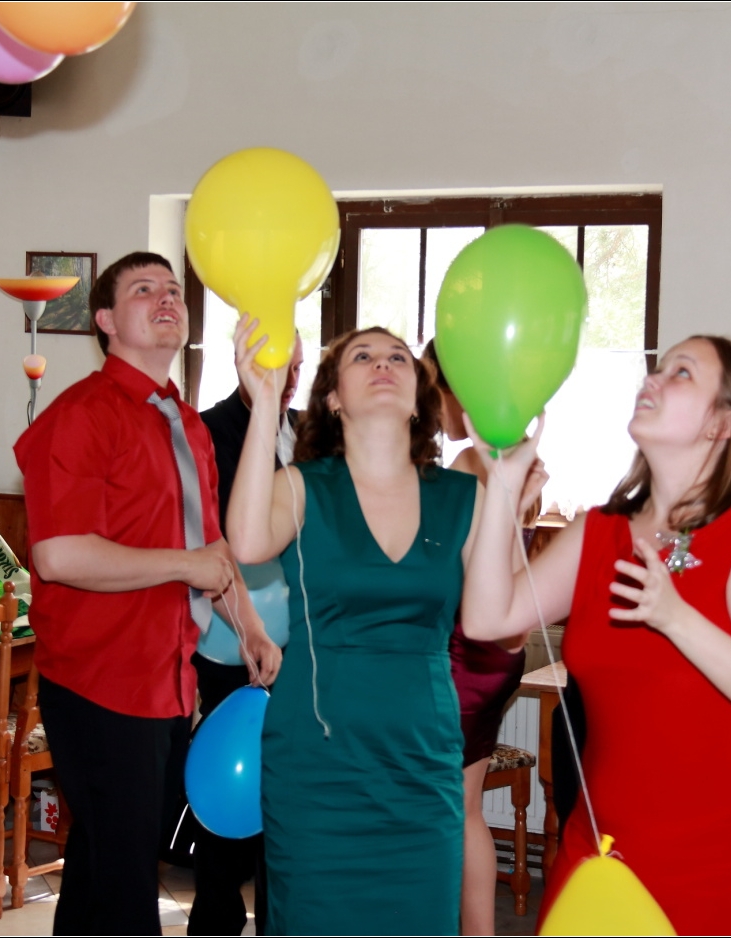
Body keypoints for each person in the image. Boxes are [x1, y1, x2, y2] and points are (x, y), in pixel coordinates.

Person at [462, 336, 731, 935]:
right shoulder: (598, 532)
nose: (653, 378)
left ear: (723, 423)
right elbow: (488, 620)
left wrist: (676, 618)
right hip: (604, 840)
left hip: (726, 851)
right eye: (658, 367)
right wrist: (500, 485)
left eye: (682, 373)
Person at [226, 322, 537, 935]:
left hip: (422, 766)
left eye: (398, 357)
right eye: (362, 356)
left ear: (420, 397)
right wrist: (264, 402)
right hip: (316, 769)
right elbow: (246, 542)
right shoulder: (302, 486)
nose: (383, 364)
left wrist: (507, 499)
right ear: (332, 398)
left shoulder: (465, 496)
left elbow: (505, 631)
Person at [13, 252, 282, 935]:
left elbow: (211, 546)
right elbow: (57, 555)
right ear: (105, 321)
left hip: (167, 678)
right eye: (143, 289)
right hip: (97, 681)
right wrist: (185, 566)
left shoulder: (187, 425)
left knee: (103, 862)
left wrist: (249, 626)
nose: (166, 299)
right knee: (129, 886)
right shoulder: (80, 415)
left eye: (173, 290)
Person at [187, 334, 304, 936]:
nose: (291, 379)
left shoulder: (309, 432)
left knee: (287, 804)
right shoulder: (209, 431)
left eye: (299, 367)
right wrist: (251, 631)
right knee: (231, 793)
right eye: (282, 366)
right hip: (230, 641)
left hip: (300, 646)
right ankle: (215, 922)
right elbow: (215, 542)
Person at [422, 339, 532, 936]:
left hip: (470, 645)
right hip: (499, 649)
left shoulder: (470, 464)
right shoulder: (510, 451)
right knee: (465, 809)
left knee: (452, 810)